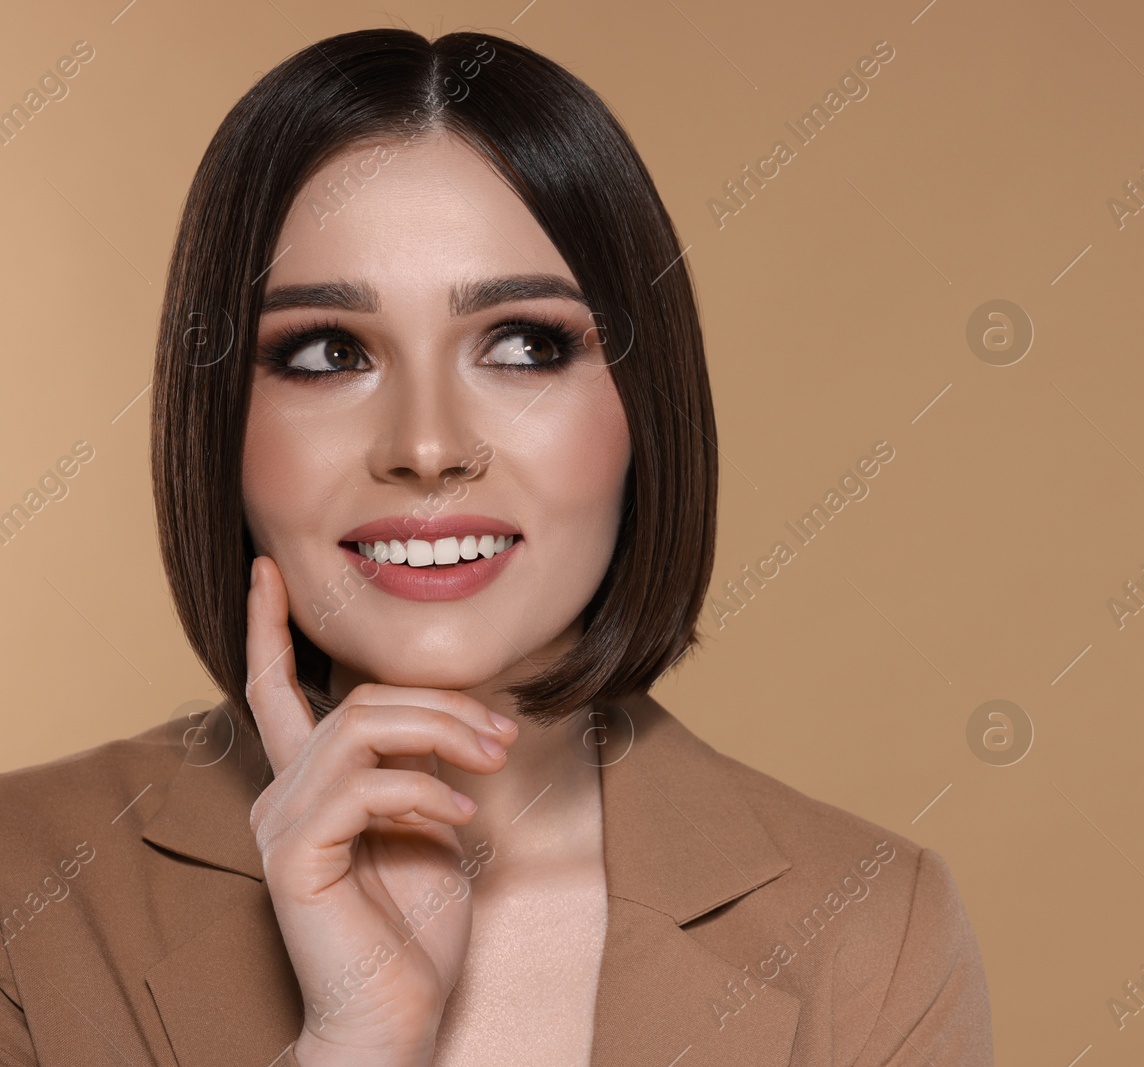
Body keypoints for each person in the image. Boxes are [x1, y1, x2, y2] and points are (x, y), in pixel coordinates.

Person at [0, 27, 993, 1066]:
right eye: (329, 352)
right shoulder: (23, 889)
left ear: (641, 411)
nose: (427, 446)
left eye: (524, 344)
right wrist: (352, 1044)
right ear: (220, 423)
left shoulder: (873, 931)